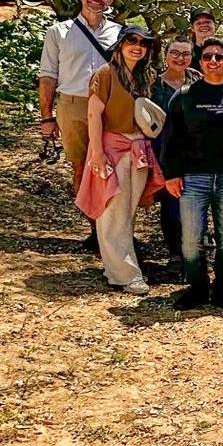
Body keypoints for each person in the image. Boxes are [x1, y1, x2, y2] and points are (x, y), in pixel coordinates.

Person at [159, 36, 223, 309]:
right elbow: (171, 140)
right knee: (191, 238)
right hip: (193, 178)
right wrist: (171, 174)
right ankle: (197, 287)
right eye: (207, 57)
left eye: (219, 57)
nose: (213, 61)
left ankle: (222, 287)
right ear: (200, 62)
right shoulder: (184, 96)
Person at [75, 25, 162, 294]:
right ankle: (126, 275)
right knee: (112, 212)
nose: (138, 47)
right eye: (132, 41)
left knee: (127, 213)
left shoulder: (143, 77)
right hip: (113, 149)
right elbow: (94, 116)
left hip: (138, 151)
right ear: (121, 44)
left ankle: (116, 266)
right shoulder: (105, 74)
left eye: (143, 43)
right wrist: (97, 154)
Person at [38, 0, 122, 245]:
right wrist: (47, 117)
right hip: (73, 105)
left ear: (110, 1)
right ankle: (96, 230)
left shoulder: (120, 33)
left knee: (115, 165)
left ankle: (114, 228)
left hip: (111, 106)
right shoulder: (58, 32)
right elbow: (48, 76)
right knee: (81, 167)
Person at [151, 38, 198, 266]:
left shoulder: (199, 82)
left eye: (186, 54)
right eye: (175, 53)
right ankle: (175, 253)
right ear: (166, 55)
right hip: (164, 151)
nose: (180, 58)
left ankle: (194, 250)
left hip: (196, 152)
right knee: (171, 202)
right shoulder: (153, 86)